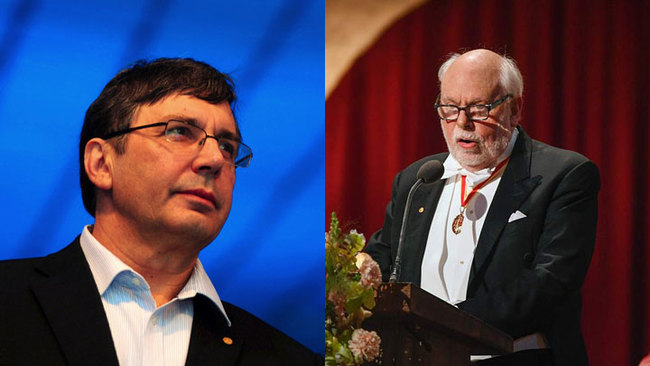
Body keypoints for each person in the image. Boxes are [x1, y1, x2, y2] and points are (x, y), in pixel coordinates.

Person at [0, 58, 321, 365]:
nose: (213, 159)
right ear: (101, 163)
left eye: (227, 146)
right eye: (179, 131)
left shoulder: (288, 358)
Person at [364, 49, 600, 365]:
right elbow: (383, 257)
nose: (462, 122)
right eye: (449, 107)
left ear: (515, 109)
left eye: (479, 108)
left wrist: (445, 324)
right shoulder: (417, 180)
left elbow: (549, 284)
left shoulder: (563, 175)